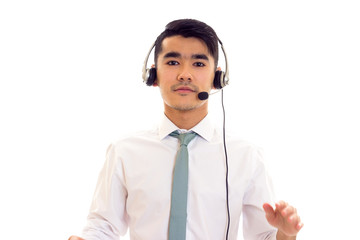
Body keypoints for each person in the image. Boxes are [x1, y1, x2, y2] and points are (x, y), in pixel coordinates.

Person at [69, 19, 303, 240]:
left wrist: (286, 234)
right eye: (172, 62)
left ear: (217, 77)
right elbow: (103, 227)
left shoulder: (246, 155)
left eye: (199, 64)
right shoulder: (124, 150)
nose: (185, 74)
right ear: (153, 74)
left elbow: (263, 236)